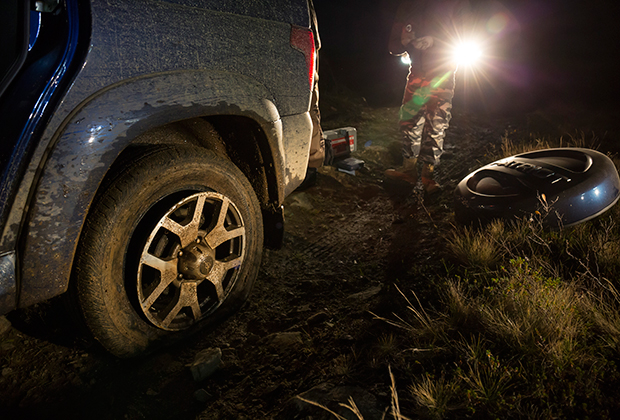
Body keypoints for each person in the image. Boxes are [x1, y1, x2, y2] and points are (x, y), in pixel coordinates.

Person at [386, 0, 472, 194]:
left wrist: (434, 40)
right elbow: (393, 45)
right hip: (416, 73)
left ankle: (428, 176)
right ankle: (408, 171)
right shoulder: (407, 5)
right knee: (409, 122)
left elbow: (464, 37)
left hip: (443, 74)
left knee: (436, 125)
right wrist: (403, 42)